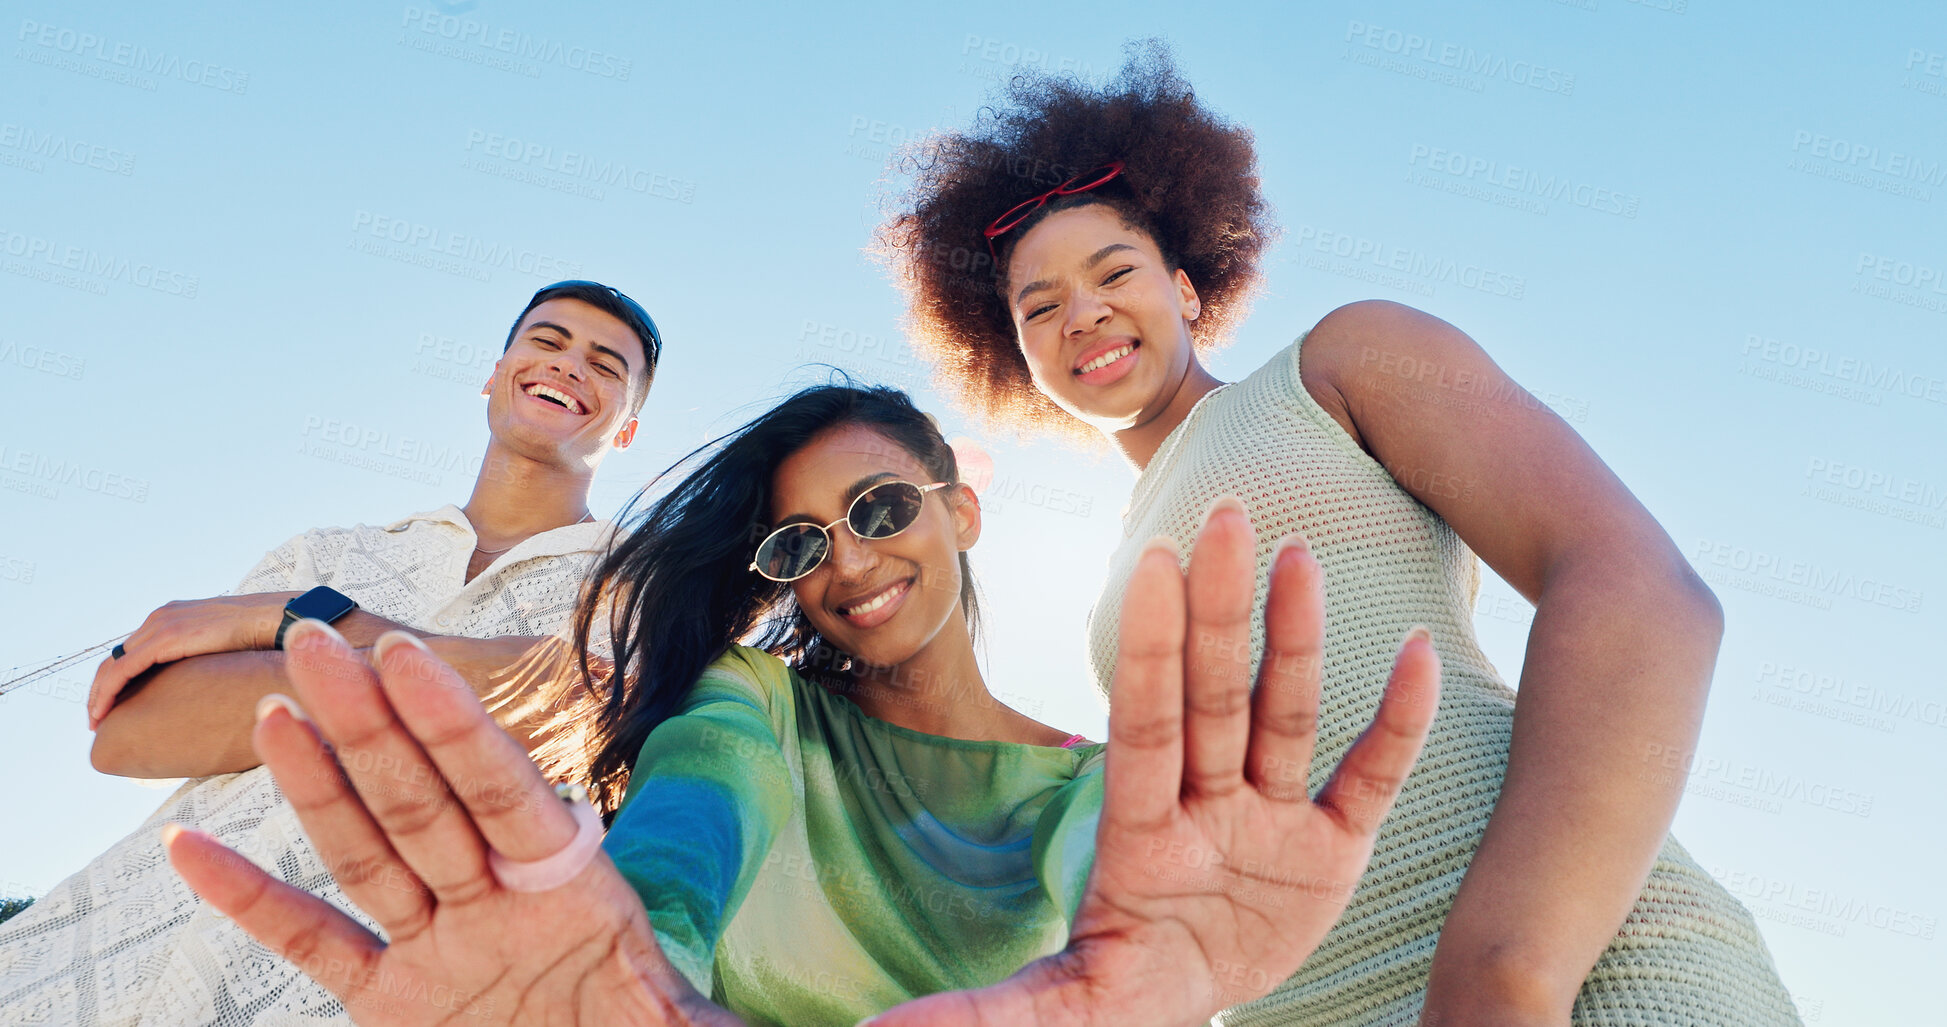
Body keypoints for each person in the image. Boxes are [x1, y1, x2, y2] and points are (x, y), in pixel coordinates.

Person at [876, 43, 1801, 1026]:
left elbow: (1641, 594)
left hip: (1584, 976)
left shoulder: (1333, 368)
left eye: (1114, 270)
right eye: (1040, 306)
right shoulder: (1109, 584)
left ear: (1187, 287)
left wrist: (1503, 975)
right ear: (1017, 354)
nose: (1086, 311)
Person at [163, 382, 1444, 1027]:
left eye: (881, 510)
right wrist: (642, 966)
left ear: (963, 512)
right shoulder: (759, 704)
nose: (847, 559)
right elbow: (692, 820)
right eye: (794, 546)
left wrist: (1158, 991)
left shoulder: (1101, 788)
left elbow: (1121, 917)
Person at [0, 280, 663, 1027]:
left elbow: (574, 707)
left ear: (629, 427)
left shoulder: (642, 591)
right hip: (77, 964)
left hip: (350, 991)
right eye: (547, 341)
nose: (570, 364)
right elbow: (130, 736)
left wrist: (293, 626)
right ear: (494, 372)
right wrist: (423, 671)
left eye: (606, 363)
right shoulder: (326, 553)